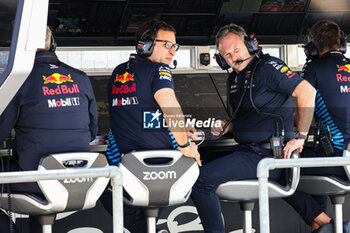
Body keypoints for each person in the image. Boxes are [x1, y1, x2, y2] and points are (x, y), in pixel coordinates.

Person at [190, 23, 316, 233]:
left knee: (200, 181)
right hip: (247, 151)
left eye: (236, 49)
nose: (233, 57)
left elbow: (307, 92)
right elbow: (248, 117)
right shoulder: (234, 78)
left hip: (266, 155)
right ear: (221, 60)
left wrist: (301, 137)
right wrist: (227, 127)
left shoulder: (269, 67)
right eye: (226, 55)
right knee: (195, 168)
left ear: (250, 44)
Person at [101, 19, 201, 232]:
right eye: (167, 44)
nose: (173, 51)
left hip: (125, 171)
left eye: (175, 46)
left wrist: (181, 129)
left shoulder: (118, 72)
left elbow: (140, 116)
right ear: (145, 44)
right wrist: (185, 145)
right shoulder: (160, 71)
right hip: (161, 168)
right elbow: (170, 107)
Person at [0, 26, 98, 233]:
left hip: (36, 183)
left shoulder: (19, 81)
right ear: (52, 44)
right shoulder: (80, 77)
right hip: (79, 180)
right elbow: (91, 132)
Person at [291, 19, 350, 232]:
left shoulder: (314, 69)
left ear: (312, 48)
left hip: (336, 160)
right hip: (343, 159)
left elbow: (300, 118)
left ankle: (325, 223)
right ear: (340, 44)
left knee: (278, 168)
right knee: (314, 155)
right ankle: (323, 225)